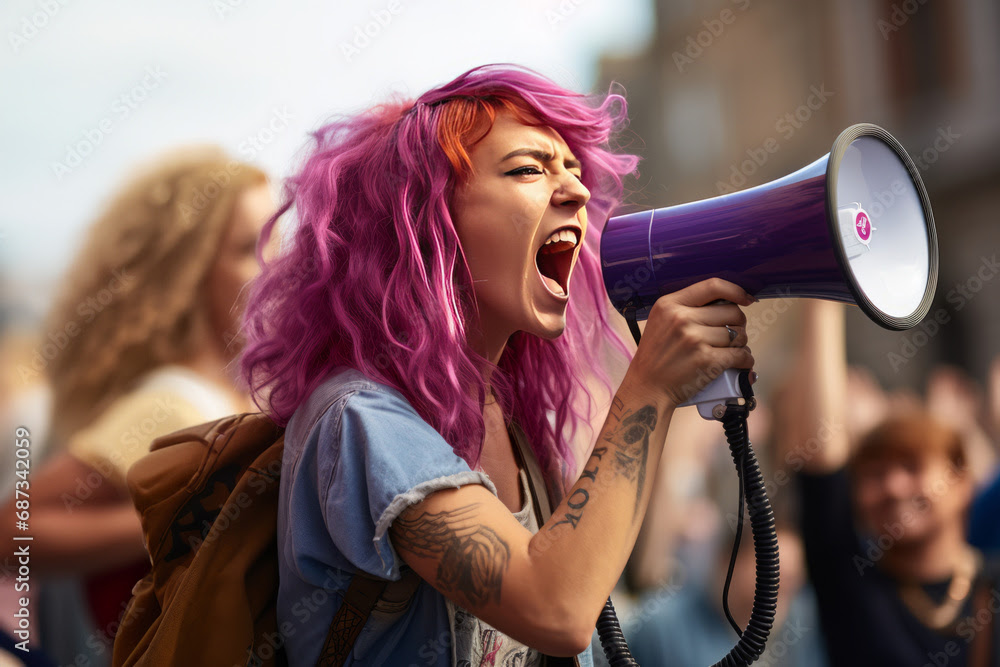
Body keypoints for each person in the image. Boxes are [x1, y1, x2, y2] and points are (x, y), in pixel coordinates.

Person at [240, 64, 756, 665]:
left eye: (572, 169)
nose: (577, 192)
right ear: (426, 223)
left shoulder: (510, 421)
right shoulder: (359, 420)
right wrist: (650, 389)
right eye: (529, 169)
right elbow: (556, 609)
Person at [0, 146, 274, 665]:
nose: (273, 265)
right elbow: (14, 527)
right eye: (246, 248)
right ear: (187, 271)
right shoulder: (174, 401)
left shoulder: (228, 394)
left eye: (274, 241)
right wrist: (171, 520)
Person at [783, 300, 1000, 666]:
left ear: (962, 480)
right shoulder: (851, 583)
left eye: (912, 467)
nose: (894, 488)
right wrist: (822, 300)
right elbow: (820, 469)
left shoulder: (990, 587)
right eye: (874, 474)